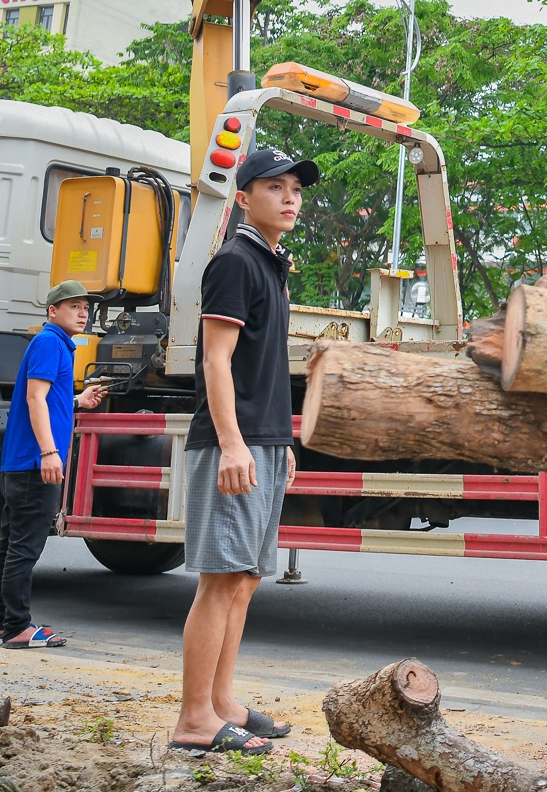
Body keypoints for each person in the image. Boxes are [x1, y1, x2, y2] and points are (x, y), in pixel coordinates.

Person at [169, 147, 315, 756]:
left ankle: (223, 703)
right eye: (275, 187)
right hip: (233, 444)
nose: (290, 198)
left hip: (263, 441)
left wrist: (280, 439)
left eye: (296, 189)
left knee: (246, 580)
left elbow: (265, 368)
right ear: (244, 197)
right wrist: (233, 443)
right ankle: (194, 719)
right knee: (221, 580)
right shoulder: (234, 261)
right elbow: (216, 360)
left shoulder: (271, 264)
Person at [0, 279, 106, 649]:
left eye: (86, 307)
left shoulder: (55, 343)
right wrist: (48, 452)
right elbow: (34, 398)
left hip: (21, 463)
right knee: (24, 548)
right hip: (33, 464)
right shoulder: (49, 342)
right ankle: (17, 627)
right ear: (52, 311)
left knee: (11, 544)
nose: (83, 313)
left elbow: (49, 399)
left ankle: (1, 622)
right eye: (74, 306)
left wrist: (78, 400)